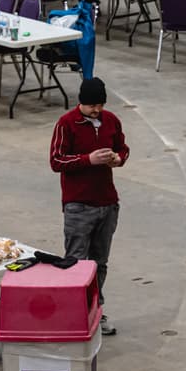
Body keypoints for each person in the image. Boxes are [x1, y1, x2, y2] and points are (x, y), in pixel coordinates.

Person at [49, 77, 129, 336]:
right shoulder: (66, 124)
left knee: (99, 263)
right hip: (78, 206)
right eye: (91, 105)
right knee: (75, 263)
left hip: (107, 202)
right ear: (80, 102)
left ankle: (95, 309)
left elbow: (123, 148)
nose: (96, 110)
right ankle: (73, 314)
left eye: (100, 105)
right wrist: (88, 159)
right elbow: (56, 160)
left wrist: (118, 159)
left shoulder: (111, 121)